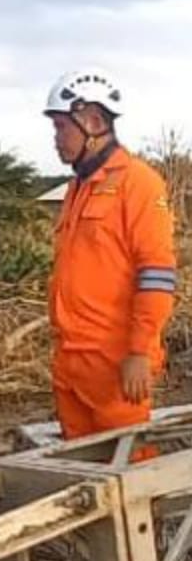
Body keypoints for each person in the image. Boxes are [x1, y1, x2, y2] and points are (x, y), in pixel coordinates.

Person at [44, 68, 175, 441]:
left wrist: (138, 353)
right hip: (71, 360)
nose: (56, 140)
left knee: (127, 469)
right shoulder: (78, 187)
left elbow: (156, 273)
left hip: (115, 364)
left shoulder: (139, 183)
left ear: (94, 122)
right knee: (81, 471)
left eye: (61, 128)